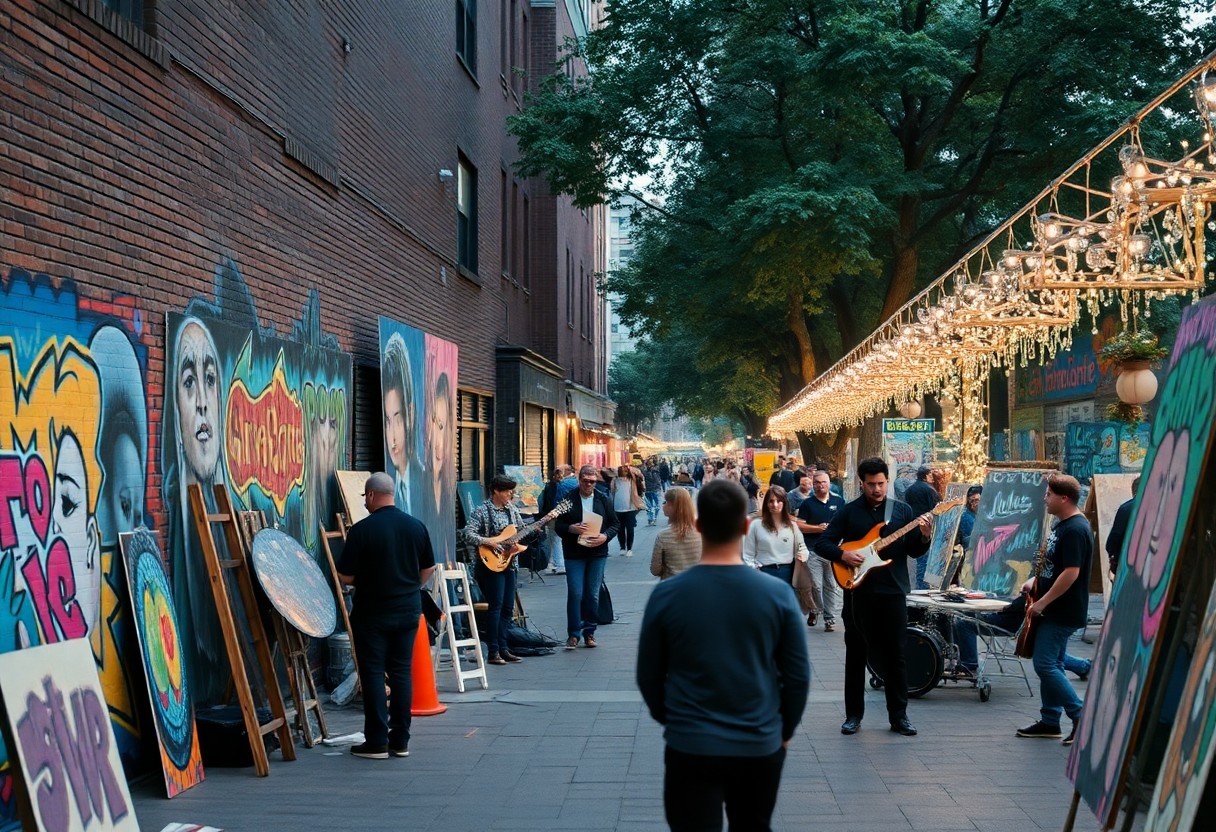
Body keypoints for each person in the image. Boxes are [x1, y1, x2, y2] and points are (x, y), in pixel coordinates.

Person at [637, 480, 810, 831]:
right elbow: (797, 675)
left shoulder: (668, 595)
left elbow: (649, 674)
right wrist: (784, 730)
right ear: (746, 526)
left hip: (691, 742)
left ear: (700, 526)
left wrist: (672, 719)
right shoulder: (777, 594)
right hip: (758, 740)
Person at [815, 457, 931, 737]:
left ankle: (899, 716)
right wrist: (843, 554)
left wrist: (925, 537)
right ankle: (853, 715)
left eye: (880, 483)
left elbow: (914, 551)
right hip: (858, 593)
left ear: (887, 481)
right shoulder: (849, 512)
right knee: (856, 654)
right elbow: (823, 542)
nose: (876, 489)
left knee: (895, 655)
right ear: (861, 482)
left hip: (892, 592)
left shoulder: (902, 511)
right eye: (870, 484)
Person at [337, 472, 437, 759]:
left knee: (372, 674)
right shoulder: (416, 526)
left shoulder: (361, 530)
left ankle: (377, 741)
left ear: (370, 495)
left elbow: (345, 575)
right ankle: (400, 741)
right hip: (408, 610)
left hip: (372, 612)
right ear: (392, 494)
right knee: (401, 672)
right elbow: (428, 568)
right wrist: (408, 586)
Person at [1017, 474, 1093, 746]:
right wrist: (1034, 583)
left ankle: (1080, 714)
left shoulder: (1075, 530)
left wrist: (1043, 602)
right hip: (1054, 606)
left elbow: (1071, 573)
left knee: (1045, 664)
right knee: (1055, 663)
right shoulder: (1062, 525)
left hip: (1062, 610)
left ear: (1064, 498)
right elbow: (1054, 568)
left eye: (1048, 494)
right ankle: (1050, 720)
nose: (1044, 498)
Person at [462, 475, 544, 665]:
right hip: (490, 566)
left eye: (512, 491)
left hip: (510, 564)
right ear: (496, 491)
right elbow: (467, 533)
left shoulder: (512, 510)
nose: (511, 495)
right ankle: (493, 650)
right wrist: (489, 541)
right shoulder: (482, 511)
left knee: (508, 608)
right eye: (507, 491)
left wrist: (535, 529)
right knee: (496, 607)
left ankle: (504, 647)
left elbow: (521, 531)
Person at [554, 465, 620, 649]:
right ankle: (573, 634)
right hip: (574, 553)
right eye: (585, 481)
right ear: (579, 480)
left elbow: (615, 523)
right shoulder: (568, 499)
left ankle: (589, 632)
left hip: (597, 553)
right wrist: (571, 528)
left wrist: (605, 536)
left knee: (592, 594)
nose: (588, 485)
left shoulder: (603, 498)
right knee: (575, 593)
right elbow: (557, 524)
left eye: (592, 481)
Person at [795, 470, 845, 631]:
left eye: (823, 482)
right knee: (816, 585)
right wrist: (817, 528)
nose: (820, 485)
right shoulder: (807, 504)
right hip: (813, 550)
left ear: (829, 483)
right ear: (813, 484)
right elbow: (800, 525)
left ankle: (829, 618)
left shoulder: (839, 502)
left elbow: (846, 524)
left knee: (831, 585)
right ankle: (815, 610)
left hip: (832, 550)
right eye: (817, 482)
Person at [743, 486, 810, 585]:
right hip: (764, 573)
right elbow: (747, 554)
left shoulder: (792, 526)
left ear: (784, 503)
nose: (775, 505)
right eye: (771, 501)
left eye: (779, 501)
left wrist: (802, 556)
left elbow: (803, 548)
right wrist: (754, 572)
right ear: (766, 503)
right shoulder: (756, 525)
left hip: (788, 574)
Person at [381, 333, 418, 514]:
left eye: (398, 419)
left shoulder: (426, 483)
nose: (392, 438)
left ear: (410, 414)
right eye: (387, 421)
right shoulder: (389, 487)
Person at [649, 487, 701, 579]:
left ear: (673, 507)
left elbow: (655, 569)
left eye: (665, 502)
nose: (663, 505)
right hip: (698, 586)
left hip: (671, 586)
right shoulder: (702, 531)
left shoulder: (663, 535)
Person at [904, 466, 941, 590]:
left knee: (920, 559)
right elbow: (936, 510)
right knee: (925, 559)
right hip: (926, 526)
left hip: (913, 526)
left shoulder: (910, 490)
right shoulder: (929, 490)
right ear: (925, 476)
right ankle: (922, 588)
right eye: (930, 475)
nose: (932, 477)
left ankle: (920, 587)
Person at [538, 465, 577, 575]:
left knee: (556, 539)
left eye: (559, 471)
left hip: (557, 514)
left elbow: (554, 500)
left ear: (567, 472)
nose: (556, 474)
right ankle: (553, 563)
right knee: (555, 539)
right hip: (567, 515)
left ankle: (559, 564)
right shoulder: (574, 482)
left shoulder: (563, 484)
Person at [1106, 475, 1140, 577]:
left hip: (1129, 567)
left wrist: (1114, 556)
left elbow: (1114, 540)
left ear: (1134, 490)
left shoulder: (1126, 509)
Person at [613, 464, 641, 557]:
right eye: (622, 468)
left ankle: (629, 548)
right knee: (620, 529)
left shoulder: (632, 479)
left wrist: (628, 467)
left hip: (630, 508)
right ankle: (622, 547)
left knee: (630, 529)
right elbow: (606, 471)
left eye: (626, 468)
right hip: (617, 508)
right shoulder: (615, 479)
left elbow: (639, 472)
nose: (624, 469)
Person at [643, 461, 663, 526]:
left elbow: (658, 480)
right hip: (648, 490)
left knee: (656, 506)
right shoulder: (644, 472)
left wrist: (659, 488)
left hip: (654, 490)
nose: (649, 466)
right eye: (648, 464)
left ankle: (654, 519)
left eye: (651, 464)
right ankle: (651, 519)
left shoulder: (655, 472)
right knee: (649, 506)